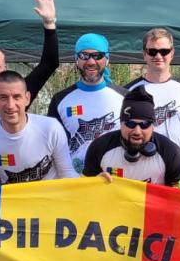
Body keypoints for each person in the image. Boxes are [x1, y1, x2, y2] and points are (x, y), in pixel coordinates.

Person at [48, 33, 129, 174]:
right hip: (76, 181)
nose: (91, 62)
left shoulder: (125, 97)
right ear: (76, 59)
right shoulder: (60, 100)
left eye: (98, 56)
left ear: (107, 59)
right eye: (84, 55)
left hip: (116, 180)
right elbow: (53, 146)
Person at [83, 86, 180, 185]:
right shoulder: (99, 148)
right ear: (121, 124)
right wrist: (94, 183)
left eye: (144, 124)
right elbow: (84, 190)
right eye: (130, 124)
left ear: (153, 126)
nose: (137, 131)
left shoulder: (172, 154)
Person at [124, 28, 180, 146]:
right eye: (152, 51)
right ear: (144, 54)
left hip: (179, 157)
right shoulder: (128, 92)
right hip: (140, 157)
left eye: (164, 51)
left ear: (172, 53)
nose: (158, 56)